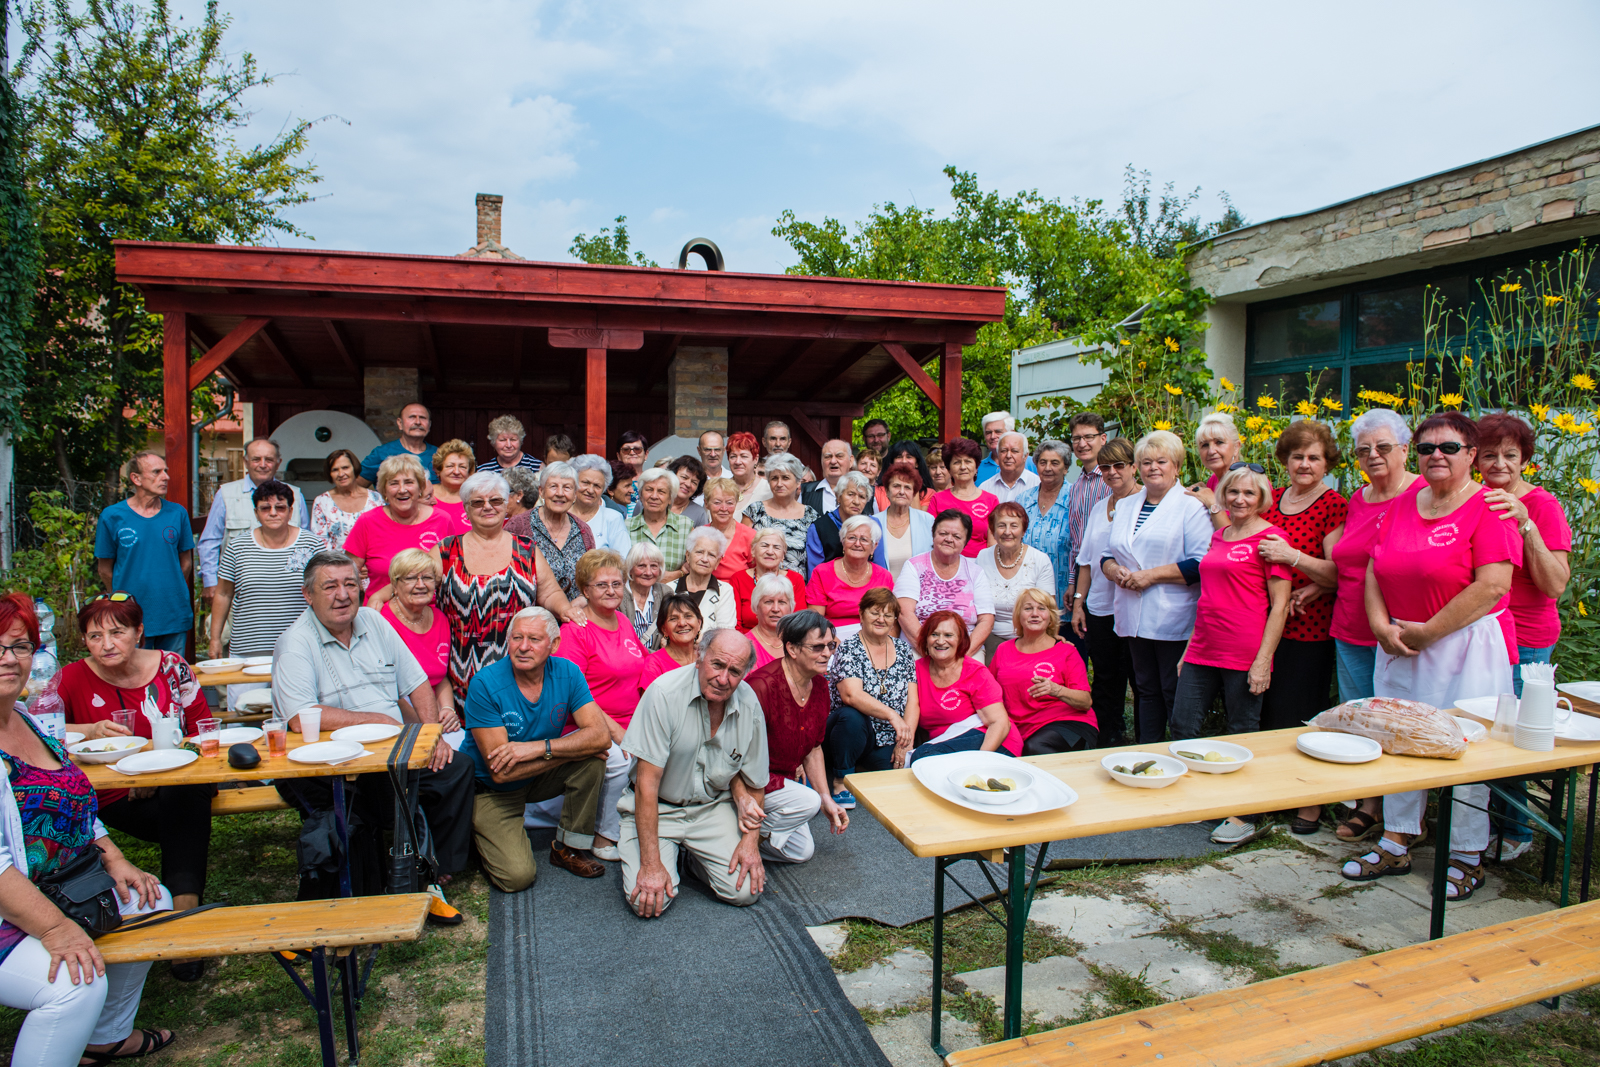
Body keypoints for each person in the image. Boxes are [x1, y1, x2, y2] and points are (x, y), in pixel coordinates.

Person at [1346, 412, 1520, 899]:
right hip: (1401, 642)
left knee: (1467, 749)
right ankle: (1396, 839)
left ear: (1471, 456)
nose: (1435, 456)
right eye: (1426, 448)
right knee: (1398, 741)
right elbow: (1375, 569)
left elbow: (1492, 586)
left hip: (1466, 647)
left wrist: (1430, 632)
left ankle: (1466, 856)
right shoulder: (1403, 504)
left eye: (1447, 447)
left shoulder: (1489, 507)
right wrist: (1381, 624)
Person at [0, 594, 177, 1066]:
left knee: (151, 900)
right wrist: (57, 930)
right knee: (75, 985)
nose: (8, 659)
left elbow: (77, 801)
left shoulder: (29, 720)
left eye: (19, 647)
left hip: (62, 885)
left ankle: (104, 1038)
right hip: (11, 912)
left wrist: (115, 859)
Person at [273, 552, 471, 918]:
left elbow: (418, 684)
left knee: (456, 767)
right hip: (328, 760)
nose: (342, 594)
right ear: (308, 594)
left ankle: (434, 867)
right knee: (378, 801)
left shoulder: (373, 622)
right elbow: (300, 718)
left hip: (392, 746)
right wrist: (377, 718)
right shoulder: (295, 642)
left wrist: (431, 738)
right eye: (329, 586)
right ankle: (405, 875)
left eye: (350, 584)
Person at [54, 594, 211, 982]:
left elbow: (204, 732)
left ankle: (180, 916)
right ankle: (183, 922)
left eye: (116, 632)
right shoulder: (71, 678)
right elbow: (41, 730)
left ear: (139, 632)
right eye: (94, 636)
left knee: (184, 793)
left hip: (178, 785)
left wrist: (153, 773)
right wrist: (88, 731)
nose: (106, 644)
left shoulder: (172, 668)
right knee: (186, 815)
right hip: (111, 798)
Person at [1170, 463, 1293, 845]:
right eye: (1233, 492)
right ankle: (1196, 802)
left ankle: (1244, 814)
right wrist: (1189, 646)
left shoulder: (1272, 539)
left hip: (1245, 651)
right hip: (1204, 646)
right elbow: (1207, 596)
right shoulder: (1220, 535)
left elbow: (1280, 605)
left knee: (1242, 734)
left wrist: (1263, 661)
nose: (1240, 499)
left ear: (1261, 499)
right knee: (1184, 726)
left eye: (1249, 494)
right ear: (1223, 494)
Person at [620, 629, 768, 917]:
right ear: (699, 656)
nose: (723, 679)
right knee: (648, 903)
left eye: (734, 671)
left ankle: (694, 862)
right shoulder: (664, 693)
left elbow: (755, 782)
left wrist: (751, 844)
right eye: (717, 665)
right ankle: (666, 855)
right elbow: (646, 786)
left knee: (745, 891)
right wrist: (651, 865)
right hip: (659, 808)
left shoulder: (749, 703)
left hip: (712, 807)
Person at [1477, 412, 1573, 860]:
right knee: (1483, 729)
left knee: (1512, 735)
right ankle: (1480, 821)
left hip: (1527, 638)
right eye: (1490, 454)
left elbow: (1555, 584)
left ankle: (1515, 830)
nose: (1499, 464)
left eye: (1510, 455)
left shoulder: (1542, 506)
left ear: (1525, 460)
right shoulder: (1473, 499)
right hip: (1480, 634)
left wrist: (1525, 523)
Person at [1323, 408, 1421, 842]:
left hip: (1398, 632)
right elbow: (1346, 561)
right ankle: (1368, 806)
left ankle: (1406, 819)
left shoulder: (1421, 494)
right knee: (1361, 723)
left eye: (1383, 447)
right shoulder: (1359, 499)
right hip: (1349, 624)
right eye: (1364, 451)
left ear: (1405, 448)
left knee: (1400, 725)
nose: (1373, 456)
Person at [458, 608, 609, 890]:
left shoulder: (568, 672)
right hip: (492, 789)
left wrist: (538, 748)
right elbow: (501, 773)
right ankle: (477, 834)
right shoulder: (485, 684)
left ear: (554, 645)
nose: (523, 647)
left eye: (534, 639)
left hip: (533, 774)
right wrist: (567, 751)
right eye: (517, 638)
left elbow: (601, 737)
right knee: (517, 878)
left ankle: (569, 848)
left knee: (592, 762)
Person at [1255, 421, 1349, 835]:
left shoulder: (1333, 505)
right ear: (1285, 461)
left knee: (1301, 715)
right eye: (1297, 456)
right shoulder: (1272, 499)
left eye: (1314, 457)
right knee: (1268, 713)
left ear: (1327, 462)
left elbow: (1339, 572)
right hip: (1263, 624)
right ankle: (1274, 791)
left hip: (1306, 629)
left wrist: (1294, 560)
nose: (1304, 464)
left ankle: (1309, 801)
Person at [1101, 430, 1211, 744]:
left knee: (1172, 689)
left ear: (1176, 466)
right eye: (1146, 462)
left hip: (1172, 615)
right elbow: (1109, 554)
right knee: (1145, 690)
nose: (1153, 468)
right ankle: (1146, 751)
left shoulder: (1190, 507)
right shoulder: (1126, 505)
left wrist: (1150, 576)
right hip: (1133, 613)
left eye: (1161, 461)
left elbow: (1200, 563)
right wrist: (1113, 570)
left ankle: (1182, 752)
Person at [436, 471, 578, 695]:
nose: (487, 507)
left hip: (520, 666)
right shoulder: (445, 550)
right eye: (477, 502)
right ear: (466, 508)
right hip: (461, 670)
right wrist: (381, 595)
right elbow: (415, 580)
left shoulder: (526, 548)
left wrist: (567, 610)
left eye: (495, 500)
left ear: (505, 505)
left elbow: (550, 592)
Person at [553, 552, 648, 863]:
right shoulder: (575, 631)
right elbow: (575, 695)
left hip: (631, 720)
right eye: (601, 585)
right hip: (589, 724)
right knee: (622, 761)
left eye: (617, 584)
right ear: (585, 590)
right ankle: (603, 835)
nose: (611, 591)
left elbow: (643, 666)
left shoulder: (622, 620)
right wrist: (620, 733)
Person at [743, 611, 848, 863]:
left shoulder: (821, 686)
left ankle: (744, 841)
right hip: (750, 782)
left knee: (801, 852)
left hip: (785, 782)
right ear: (791, 648)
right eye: (817, 647)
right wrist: (816, 799)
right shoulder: (761, 686)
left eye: (831, 645)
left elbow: (813, 749)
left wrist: (827, 798)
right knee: (807, 801)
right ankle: (742, 841)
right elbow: (737, 753)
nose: (827, 653)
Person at [209, 480, 326, 667]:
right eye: (265, 508)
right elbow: (223, 594)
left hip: (301, 647)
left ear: (291, 511)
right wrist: (215, 639)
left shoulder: (312, 545)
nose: (273, 513)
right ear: (256, 513)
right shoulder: (238, 546)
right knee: (246, 698)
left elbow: (324, 591)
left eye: (280, 507)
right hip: (247, 650)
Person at [1070, 437, 1139, 748]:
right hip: (1098, 605)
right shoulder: (1100, 507)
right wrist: (1079, 604)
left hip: (1134, 606)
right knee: (1105, 679)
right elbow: (1085, 560)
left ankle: (1143, 739)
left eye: (1119, 465)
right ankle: (1105, 737)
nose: (1112, 472)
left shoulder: (1142, 503)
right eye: (1106, 467)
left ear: (1133, 467)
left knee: (1138, 679)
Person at [824, 587, 917, 807]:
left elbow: (913, 701)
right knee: (851, 716)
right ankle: (841, 780)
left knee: (894, 779)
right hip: (850, 730)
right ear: (861, 614)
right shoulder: (848, 648)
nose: (881, 619)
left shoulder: (903, 650)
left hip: (886, 736)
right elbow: (851, 695)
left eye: (888, 614)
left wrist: (906, 740)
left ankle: (861, 767)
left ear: (894, 619)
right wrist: (893, 716)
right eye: (875, 612)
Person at [94, 452, 194, 653]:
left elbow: (186, 563)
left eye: (165, 471)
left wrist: (168, 589)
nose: (166, 477)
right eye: (157, 472)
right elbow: (105, 569)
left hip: (172, 612)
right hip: (131, 614)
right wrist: (121, 599)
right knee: (135, 677)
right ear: (136, 478)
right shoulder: (112, 516)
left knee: (171, 676)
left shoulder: (177, 513)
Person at [197, 437, 308, 601]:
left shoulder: (295, 496)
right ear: (246, 462)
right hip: (237, 592)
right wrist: (210, 582)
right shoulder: (226, 494)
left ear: (278, 463)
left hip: (288, 592)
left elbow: (305, 543)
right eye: (256, 459)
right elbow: (210, 542)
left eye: (269, 460)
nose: (262, 464)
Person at [990, 589, 1095, 754]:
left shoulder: (1066, 651)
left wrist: (1056, 690)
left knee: (1036, 748)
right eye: (1028, 608)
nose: (1035, 614)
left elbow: (1085, 701)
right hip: (1020, 728)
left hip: (1065, 723)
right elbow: (990, 694)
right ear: (1019, 616)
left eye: (1041, 608)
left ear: (1050, 617)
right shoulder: (1003, 650)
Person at [344, 454, 455, 605]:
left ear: (420, 487)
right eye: (394, 483)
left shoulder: (442, 520)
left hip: (430, 614)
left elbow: (452, 573)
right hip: (380, 615)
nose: (402, 490)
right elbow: (347, 574)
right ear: (384, 490)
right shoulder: (367, 522)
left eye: (409, 482)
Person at [908, 610, 1017, 762]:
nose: (940, 641)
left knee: (925, 757)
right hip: (942, 744)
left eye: (948, 635)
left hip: (992, 741)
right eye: (934, 634)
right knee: (923, 758)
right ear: (925, 639)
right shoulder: (915, 670)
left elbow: (999, 723)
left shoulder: (975, 672)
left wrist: (979, 762)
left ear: (960, 640)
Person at [380, 550, 458, 732]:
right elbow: (388, 689)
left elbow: (439, 677)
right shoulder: (382, 621)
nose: (421, 585)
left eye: (428, 578)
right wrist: (428, 726)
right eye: (411, 578)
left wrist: (447, 709)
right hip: (399, 722)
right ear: (394, 584)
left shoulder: (440, 618)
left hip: (434, 718)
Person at [895, 510, 996, 650]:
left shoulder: (976, 572)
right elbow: (904, 612)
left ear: (965, 542)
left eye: (957, 536)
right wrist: (928, 650)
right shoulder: (914, 566)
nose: (949, 539)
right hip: (919, 646)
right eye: (943, 533)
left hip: (964, 649)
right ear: (933, 535)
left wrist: (963, 655)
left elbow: (987, 620)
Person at [976, 502, 1057, 659]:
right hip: (989, 637)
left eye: (1014, 525)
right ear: (992, 530)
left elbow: (1048, 611)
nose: (1007, 532)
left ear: (1023, 530)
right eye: (1001, 526)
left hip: (1030, 637)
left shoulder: (1040, 560)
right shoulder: (982, 557)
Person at [507, 462, 594, 602]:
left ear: (575, 495)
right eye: (553, 486)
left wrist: (580, 602)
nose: (560, 493)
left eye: (567, 487)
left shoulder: (583, 530)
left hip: (575, 617)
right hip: (532, 617)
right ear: (541, 491)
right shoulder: (518, 526)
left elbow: (592, 578)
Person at [1014, 438, 1077, 617]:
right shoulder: (1023, 500)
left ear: (1065, 468)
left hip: (1064, 593)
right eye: (1043, 462)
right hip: (1027, 593)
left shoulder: (1075, 499)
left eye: (1055, 463)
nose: (1048, 468)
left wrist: (1075, 586)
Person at [806, 515, 894, 642]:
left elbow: (890, 620)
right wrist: (840, 647)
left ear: (874, 547)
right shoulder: (822, 572)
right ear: (842, 542)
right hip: (831, 640)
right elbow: (815, 620)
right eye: (852, 538)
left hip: (874, 640)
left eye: (864, 539)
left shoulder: (884, 576)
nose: (857, 544)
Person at [742, 454, 818, 573]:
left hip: (797, 588)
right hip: (759, 586)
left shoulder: (810, 515)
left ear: (798, 482)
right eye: (774, 478)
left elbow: (816, 559)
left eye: (785, 478)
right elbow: (743, 553)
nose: (779, 484)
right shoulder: (754, 511)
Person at [927, 438, 998, 559]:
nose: (963, 467)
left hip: (980, 566)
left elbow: (993, 544)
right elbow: (930, 539)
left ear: (976, 467)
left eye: (968, 461)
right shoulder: (937, 499)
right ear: (949, 469)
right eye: (957, 462)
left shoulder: (991, 500)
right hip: (945, 563)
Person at [805, 471, 887, 573]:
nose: (856, 502)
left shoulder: (873, 525)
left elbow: (880, 568)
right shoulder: (819, 528)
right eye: (851, 494)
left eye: (862, 497)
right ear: (838, 496)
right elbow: (814, 574)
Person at [729, 528, 808, 631]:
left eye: (776, 547)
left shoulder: (795, 579)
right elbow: (736, 624)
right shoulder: (738, 579)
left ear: (783, 555)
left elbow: (799, 621)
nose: (770, 552)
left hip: (785, 641)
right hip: (747, 642)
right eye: (764, 546)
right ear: (753, 551)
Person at [661, 527, 737, 631]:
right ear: (688, 556)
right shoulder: (669, 589)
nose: (704, 559)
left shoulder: (724, 591)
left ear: (717, 562)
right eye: (699, 552)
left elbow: (725, 633)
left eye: (711, 555)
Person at [310, 448, 385, 552]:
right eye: (335, 470)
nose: (341, 474)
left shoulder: (376, 499)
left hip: (371, 564)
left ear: (354, 468)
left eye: (345, 468)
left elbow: (383, 535)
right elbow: (320, 543)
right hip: (336, 565)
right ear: (330, 474)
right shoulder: (322, 502)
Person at [627, 468, 693, 579]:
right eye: (649, 490)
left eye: (661, 491)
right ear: (641, 495)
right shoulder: (626, 527)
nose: (654, 496)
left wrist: (679, 574)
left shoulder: (686, 526)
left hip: (674, 593)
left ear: (670, 498)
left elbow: (691, 567)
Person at [357, 402, 438, 487]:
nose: (418, 422)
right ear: (400, 423)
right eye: (412, 417)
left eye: (423, 418)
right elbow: (355, 489)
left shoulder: (439, 455)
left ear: (429, 425)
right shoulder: (381, 453)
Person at [879, 462, 935, 580]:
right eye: (896, 486)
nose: (902, 491)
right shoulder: (874, 522)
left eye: (907, 487)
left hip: (919, 592)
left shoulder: (928, 521)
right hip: (882, 594)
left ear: (914, 494)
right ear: (887, 491)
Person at [569, 454, 632, 556]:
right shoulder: (562, 514)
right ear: (574, 482)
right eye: (585, 482)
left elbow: (623, 560)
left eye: (597, 486)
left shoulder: (613, 518)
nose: (590, 490)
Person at [638, 594, 704, 689]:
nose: (682, 623)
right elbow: (650, 703)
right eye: (673, 619)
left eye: (688, 616)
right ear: (664, 629)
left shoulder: (707, 656)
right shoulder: (655, 664)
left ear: (699, 623)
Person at [1189, 412, 1244, 525]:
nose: (1211, 451)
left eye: (1219, 442)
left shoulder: (1249, 480)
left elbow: (1236, 538)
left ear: (1236, 447)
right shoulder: (1214, 480)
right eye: (1204, 445)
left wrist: (1212, 502)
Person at [703, 477, 755, 580]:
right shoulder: (699, 535)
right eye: (717, 502)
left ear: (736, 504)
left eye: (729, 503)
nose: (724, 508)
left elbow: (756, 573)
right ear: (706, 504)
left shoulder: (750, 536)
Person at [428, 439, 477, 536]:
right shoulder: (426, 495)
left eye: (462, 467)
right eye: (450, 466)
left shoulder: (476, 497)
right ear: (438, 469)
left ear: (469, 471)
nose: (456, 472)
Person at [800, 439, 860, 517]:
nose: (833, 461)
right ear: (822, 461)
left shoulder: (866, 493)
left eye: (839, 456)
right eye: (828, 457)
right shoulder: (804, 491)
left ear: (851, 461)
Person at [744, 575, 792, 669]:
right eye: (768, 602)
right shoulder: (745, 646)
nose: (775, 609)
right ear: (756, 606)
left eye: (782, 602)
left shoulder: (798, 642)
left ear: (790, 608)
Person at [624, 542, 666, 648]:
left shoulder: (666, 593)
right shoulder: (617, 595)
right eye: (641, 566)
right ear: (630, 569)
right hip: (627, 661)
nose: (648, 572)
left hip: (657, 661)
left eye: (653, 566)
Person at [975, 411, 1036, 485]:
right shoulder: (977, 468)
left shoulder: (1032, 464)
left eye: (998, 432)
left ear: (1012, 432)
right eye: (988, 433)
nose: (993, 436)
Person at [979, 431, 1041, 503]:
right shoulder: (985, 488)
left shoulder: (1038, 485)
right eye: (1003, 451)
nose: (1008, 455)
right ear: (998, 454)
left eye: (1014, 451)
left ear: (1025, 456)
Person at [725, 431, 771, 518]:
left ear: (755, 459)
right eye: (733, 456)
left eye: (744, 456)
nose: (738, 462)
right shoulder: (720, 488)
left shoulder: (769, 490)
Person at [478, 414, 542, 476]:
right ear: (493, 442)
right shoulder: (484, 471)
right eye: (502, 440)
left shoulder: (537, 467)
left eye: (513, 439)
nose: (508, 445)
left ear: (520, 441)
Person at [882, 440, 935, 511]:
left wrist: (914, 484)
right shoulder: (880, 490)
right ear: (892, 462)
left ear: (917, 463)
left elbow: (919, 520)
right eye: (899, 457)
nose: (904, 461)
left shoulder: (929, 494)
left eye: (909, 457)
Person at [665, 455, 710, 527]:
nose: (688, 484)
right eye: (684, 477)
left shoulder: (699, 513)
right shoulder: (653, 502)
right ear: (672, 475)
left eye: (694, 482)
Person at [615, 430, 649, 509]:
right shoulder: (613, 480)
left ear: (646, 454)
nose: (632, 453)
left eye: (637, 449)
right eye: (626, 450)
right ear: (619, 456)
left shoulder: (653, 480)